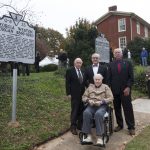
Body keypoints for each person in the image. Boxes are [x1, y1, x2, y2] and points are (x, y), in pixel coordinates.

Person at [108, 48, 135, 135]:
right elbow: (109, 78)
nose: (117, 54)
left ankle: (131, 127)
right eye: (115, 53)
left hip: (125, 91)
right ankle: (120, 125)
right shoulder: (110, 65)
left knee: (128, 109)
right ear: (114, 55)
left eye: (119, 52)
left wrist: (128, 87)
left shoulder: (128, 63)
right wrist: (109, 89)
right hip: (114, 91)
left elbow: (131, 78)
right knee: (117, 109)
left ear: (122, 53)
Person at [81, 74, 113, 145]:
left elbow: (111, 98)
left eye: (99, 79)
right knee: (86, 113)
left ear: (102, 80)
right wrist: (88, 100)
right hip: (91, 105)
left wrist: (102, 101)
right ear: (94, 80)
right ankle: (88, 136)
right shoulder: (90, 87)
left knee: (98, 114)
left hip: (102, 106)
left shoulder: (106, 87)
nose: (97, 81)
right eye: (96, 79)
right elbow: (83, 97)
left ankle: (100, 137)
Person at [65, 58, 85, 135]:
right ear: (74, 63)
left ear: (81, 64)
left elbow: (84, 82)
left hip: (83, 95)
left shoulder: (83, 71)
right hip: (74, 95)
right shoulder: (70, 71)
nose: (78, 64)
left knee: (81, 110)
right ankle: (73, 127)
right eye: (77, 62)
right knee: (74, 110)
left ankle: (80, 126)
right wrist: (68, 93)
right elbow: (67, 83)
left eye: (80, 63)